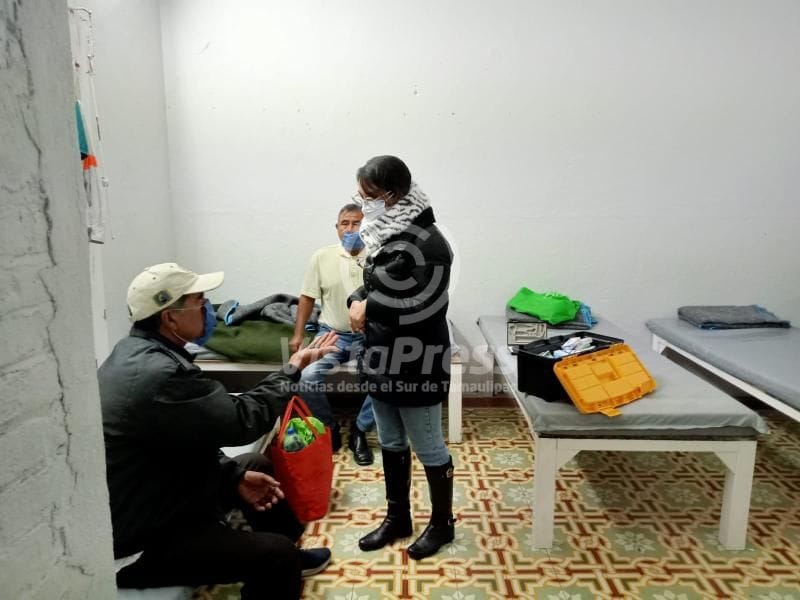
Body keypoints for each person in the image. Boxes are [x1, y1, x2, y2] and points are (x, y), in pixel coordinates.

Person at [99, 262, 338, 599]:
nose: (209, 309)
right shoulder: (158, 375)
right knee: (276, 556)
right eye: (200, 302)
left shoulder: (140, 352)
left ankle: (292, 553)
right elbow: (242, 420)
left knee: (254, 465)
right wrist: (292, 369)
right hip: (143, 536)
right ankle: (283, 559)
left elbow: (187, 437)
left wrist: (232, 477)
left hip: (163, 490)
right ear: (170, 318)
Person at [347, 156, 455, 560]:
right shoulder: (389, 233)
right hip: (381, 357)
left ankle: (442, 524)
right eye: (361, 196)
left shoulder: (431, 244)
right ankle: (398, 518)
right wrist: (357, 299)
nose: (364, 204)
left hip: (417, 362)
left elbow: (422, 305)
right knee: (391, 441)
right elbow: (376, 283)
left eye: (369, 196)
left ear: (392, 195)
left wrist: (369, 307)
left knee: (429, 448)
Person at [290, 204, 376, 465]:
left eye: (357, 223)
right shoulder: (322, 257)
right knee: (306, 377)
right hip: (332, 335)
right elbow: (307, 297)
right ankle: (329, 428)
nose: (350, 229)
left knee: (387, 378)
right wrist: (297, 335)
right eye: (345, 223)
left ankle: (360, 430)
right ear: (337, 228)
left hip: (370, 335)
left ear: (367, 226)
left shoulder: (378, 256)